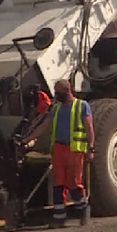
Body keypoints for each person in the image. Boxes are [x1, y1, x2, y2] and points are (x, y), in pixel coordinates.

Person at [22, 79, 95, 223]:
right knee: (58, 183)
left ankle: (83, 209)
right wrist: (28, 138)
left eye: (58, 92)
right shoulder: (56, 108)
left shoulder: (82, 106)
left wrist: (91, 149)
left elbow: (89, 128)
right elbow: (45, 126)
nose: (56, 95)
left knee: (74, 183)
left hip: (75, 149)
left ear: (67, 91)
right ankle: (59, 219)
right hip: (59, 149)